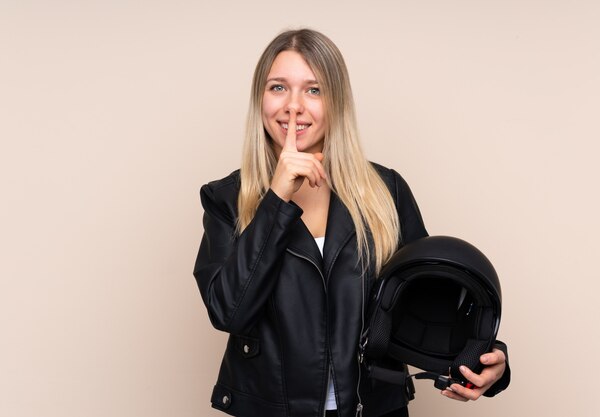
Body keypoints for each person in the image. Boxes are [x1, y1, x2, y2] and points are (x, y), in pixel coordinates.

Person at [193, 28, 510, 417]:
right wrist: (276, 199)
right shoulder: (225, 198)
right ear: (260, 99)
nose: (294, 106)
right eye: (278, 87)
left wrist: (484, 358)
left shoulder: (385, 190)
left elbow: (428, 303)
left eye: (314, 90)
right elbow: (229, 312)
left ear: (336, 102)